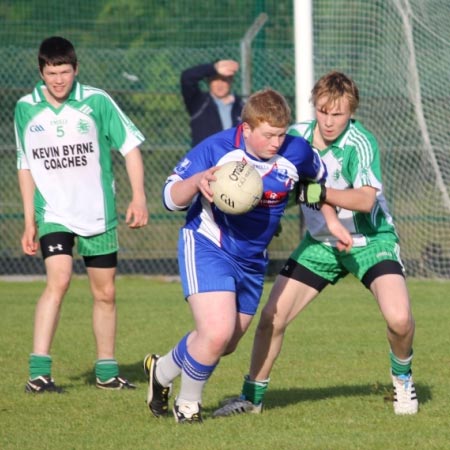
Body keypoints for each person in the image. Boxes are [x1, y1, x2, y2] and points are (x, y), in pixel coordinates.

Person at [212, 71, 419, 418]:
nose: (328, 120)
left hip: (369, 241)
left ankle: (402, 379)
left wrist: (322, 192)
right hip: (320, 244)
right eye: (322, 111)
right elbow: (281, 186)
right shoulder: (296, 138)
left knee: (399, 320)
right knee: (271, 319)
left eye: (337, 114)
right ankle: (251, 399)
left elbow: (366, 199)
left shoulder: (361, 142)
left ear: (350, 111)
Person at [143, 87, 352, 423]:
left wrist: (331, 222)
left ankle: (161, 370)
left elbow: (317, 183)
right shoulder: (218, 147)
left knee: (224, 344)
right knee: (214, 333)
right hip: (208, 243)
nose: (277, 142)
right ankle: (188, 405)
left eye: (282, 134)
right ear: (248, 128)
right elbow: (169, 196)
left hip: (253, 259)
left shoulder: (296, 151)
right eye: (269, 135)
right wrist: (196, 181)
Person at [15, 36, 148, 393]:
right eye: (51, 72)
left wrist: (139, 197)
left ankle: (106, 372)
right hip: (53, 212)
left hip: (97, 214)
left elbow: (131, 147)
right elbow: (25, 165)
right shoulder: (25, 107)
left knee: (104, 293)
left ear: (76, 69)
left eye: (65, 71)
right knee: (57, 281)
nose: (58, 80)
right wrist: (29, 220)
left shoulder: (97, 101)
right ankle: (39, 373)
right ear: (41, 71)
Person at [180, 59, 245, 146]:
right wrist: (213, 68)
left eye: (224, 80)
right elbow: (187, 78)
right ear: (209, 81)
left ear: (231, 81)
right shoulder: (199, 102)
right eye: (215, 79)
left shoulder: (241, 106)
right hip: (206, 159)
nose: (219, 84)